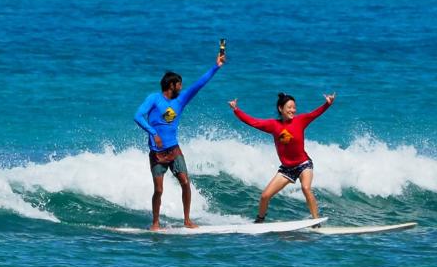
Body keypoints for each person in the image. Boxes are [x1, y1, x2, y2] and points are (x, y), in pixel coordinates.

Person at [133, 50, 225, 230]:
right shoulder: (154, 98)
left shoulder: (181, 100)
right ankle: (155, 223)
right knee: (159, 190)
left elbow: (199, 85)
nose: (182, 87)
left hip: (174, 150)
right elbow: (138, 116)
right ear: (171, 85)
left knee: (185, 183)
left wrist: (216, 67)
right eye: (179, 84)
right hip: (157, 153)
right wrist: (154, 133)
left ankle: (187, 220)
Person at [228, 91, 335, 223]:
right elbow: (253, 122)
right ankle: (260, 220)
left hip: (303, 164)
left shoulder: (300, 120)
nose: (293, 110)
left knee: (306, 188)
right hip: (287, 168)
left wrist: (327, 104)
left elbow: (315, 114)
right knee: (265, 196)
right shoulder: (274, 125)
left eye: (294, 107)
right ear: (281, 108)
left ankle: (316, 221)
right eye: (289, 107)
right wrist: (236, 110)